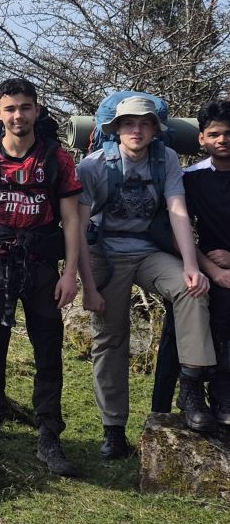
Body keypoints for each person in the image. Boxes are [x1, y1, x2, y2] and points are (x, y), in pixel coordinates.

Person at [78, 94, 216, 456]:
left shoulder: (165, 157)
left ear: (156, 129)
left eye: (144, 124)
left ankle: (190, 391)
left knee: (191, 290)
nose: (136, 130)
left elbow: (178, 213)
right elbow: (75, 230)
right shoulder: (93, 166)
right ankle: (114, 428)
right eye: (128, 124)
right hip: (105, 253)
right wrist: (87, 286)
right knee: (111, 338)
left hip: (149, 249)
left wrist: (191, 265)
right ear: (116, 129)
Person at [0, 78, 81, 475]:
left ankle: (49, 434)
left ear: (37, 110)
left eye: (25, 107)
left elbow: (72, 219)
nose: (18, 115)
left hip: (43, 264)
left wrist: (71, 274)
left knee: (48, 352)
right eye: (10, 109)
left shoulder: (57, 158)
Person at [170, 100, 230, 426]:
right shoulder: (191, 179)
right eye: (215, 134)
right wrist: (216, 270)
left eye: (229, 133)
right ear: (202, 139)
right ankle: (215, 394)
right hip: (211, 268)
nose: (223, 140)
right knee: (210, 300)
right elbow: (181, 234)